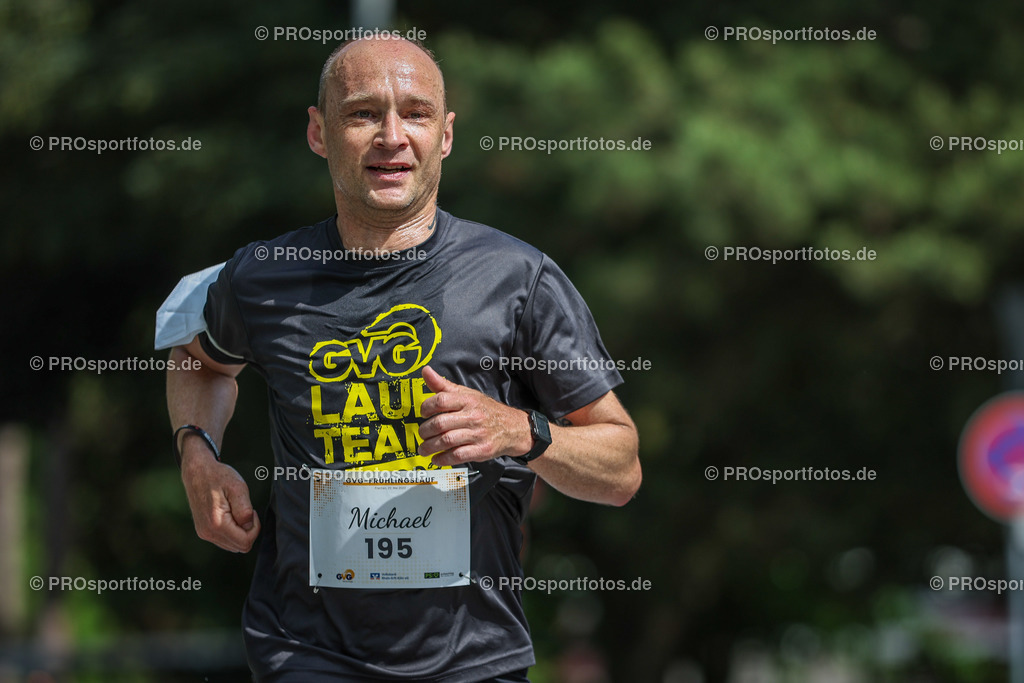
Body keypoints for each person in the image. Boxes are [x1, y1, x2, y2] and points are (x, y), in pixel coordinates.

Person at [161, 36, 641, 683]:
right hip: (305, 649)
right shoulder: (264, 276)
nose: (392, 135)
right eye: (363, 114)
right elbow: (201, 362)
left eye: (414, 113)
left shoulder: (517, 277)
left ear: (444, 136)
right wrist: (198, 450)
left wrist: (519, 430)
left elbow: (621, 467)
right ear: (319, 132)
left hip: (472, 656)